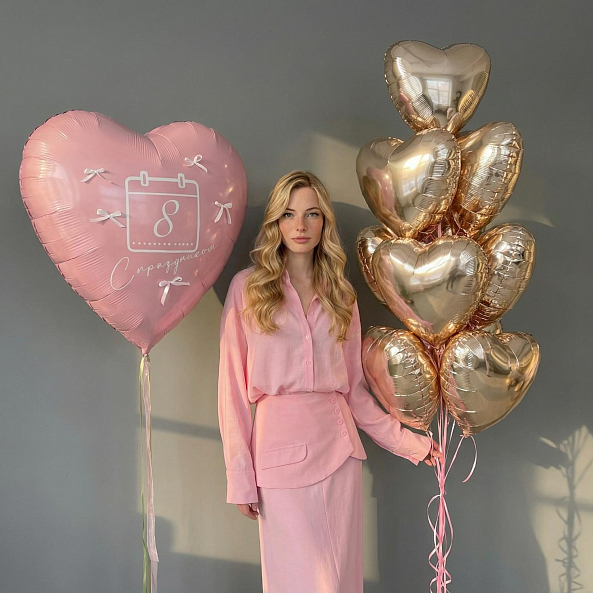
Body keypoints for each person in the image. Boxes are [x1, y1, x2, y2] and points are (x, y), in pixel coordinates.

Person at [217, 170, 442, 593]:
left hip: (339, 454)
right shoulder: (247, 289)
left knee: (339, 581)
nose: (300, 226)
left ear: (324, 222)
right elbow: (230, 393)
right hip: (278, 460)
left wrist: (411, 444)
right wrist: (240, 478)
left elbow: (354, 391)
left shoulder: (341, 294)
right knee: (296, 582)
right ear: (276, 222)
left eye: (312, 214)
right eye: (288, 214)